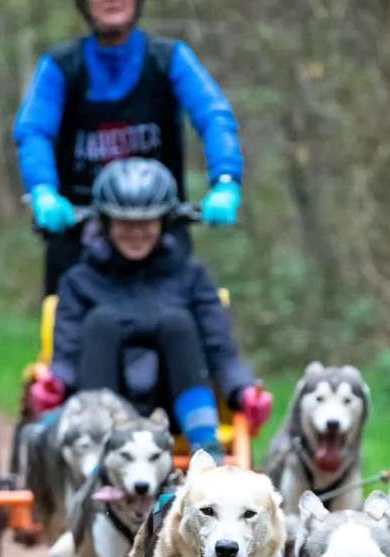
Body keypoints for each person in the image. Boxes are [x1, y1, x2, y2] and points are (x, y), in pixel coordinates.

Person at [28, 159, 272, 455]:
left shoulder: (191, 278)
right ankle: (97, 449)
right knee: (101, 322)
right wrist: (55, 383)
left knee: (177, 323)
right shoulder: (79, 283)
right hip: (100, 413)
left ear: (164, 221)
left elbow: (221, 350)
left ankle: (207, 451)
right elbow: (66, 351)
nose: (136, 232)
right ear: (105, 222)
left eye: (146, 222)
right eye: (124, 222)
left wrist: (243, 389)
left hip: (175, 413)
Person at [14, 0, 243, 294]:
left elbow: (214, 116)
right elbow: (34, 131)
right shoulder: (59, 68)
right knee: (64, 330)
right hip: (79, 239)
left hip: (160, 238)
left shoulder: (169, 59)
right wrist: (43, 190)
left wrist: (226, 181)